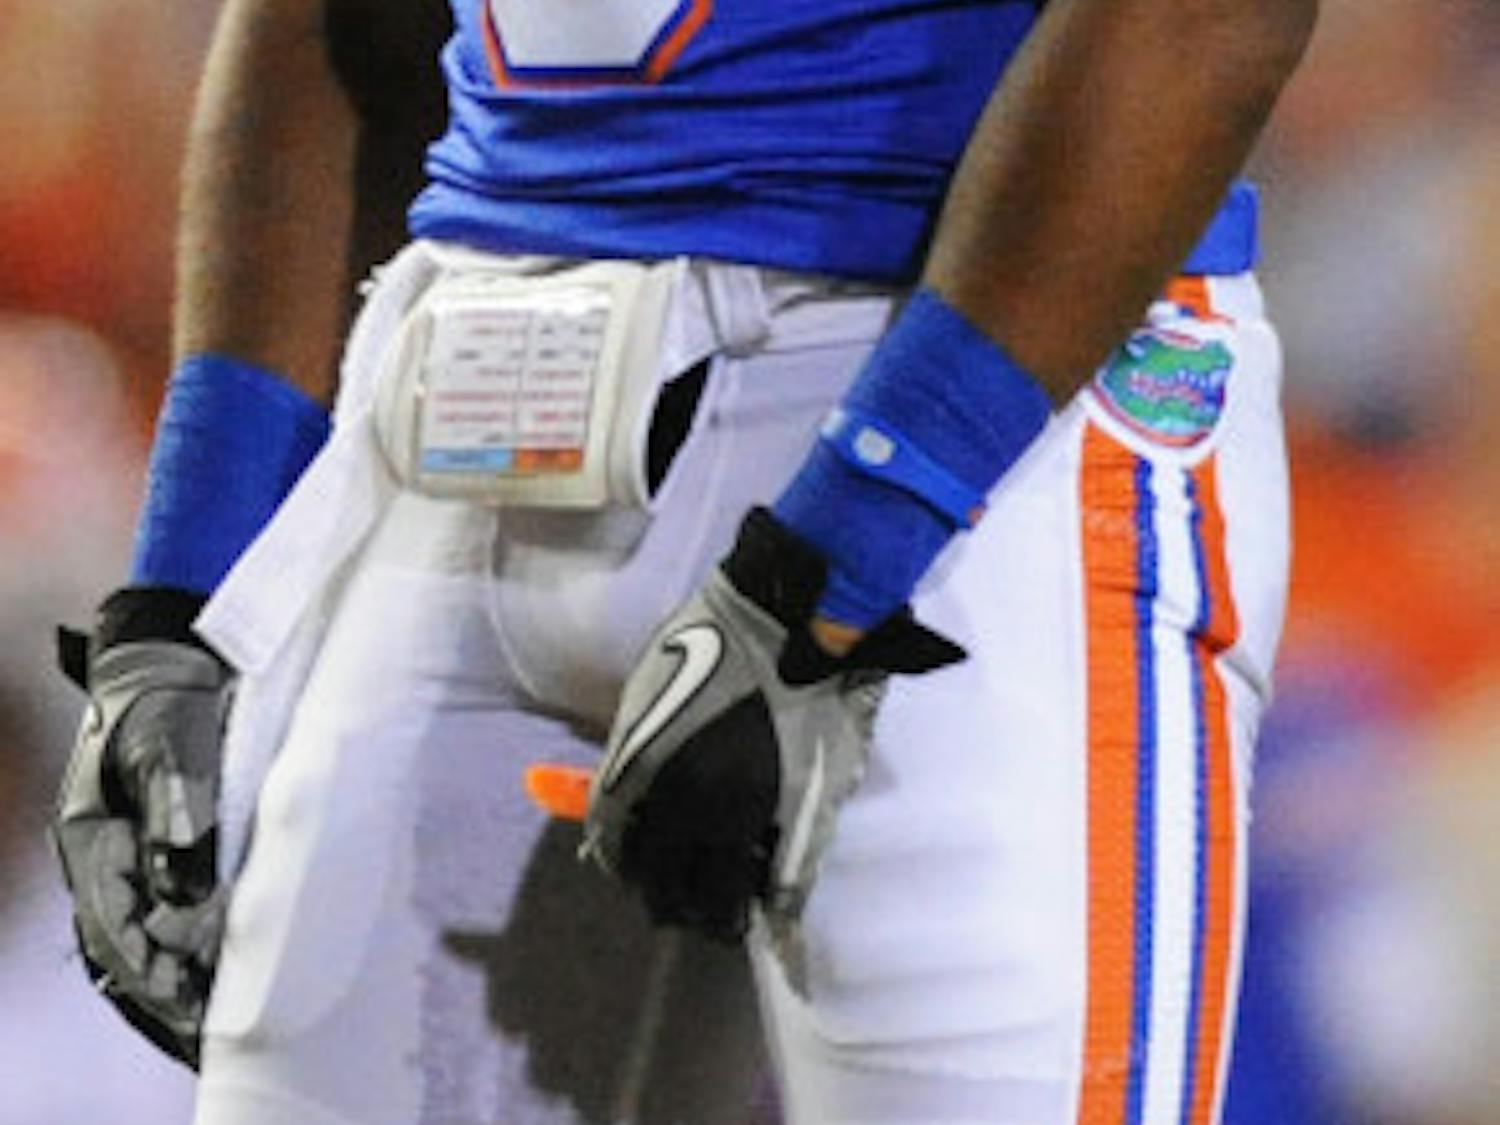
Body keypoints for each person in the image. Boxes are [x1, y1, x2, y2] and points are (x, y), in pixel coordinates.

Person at [52, 0, 1318, 1123]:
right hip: (477, 392)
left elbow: (1203, 20)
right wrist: (181, 599)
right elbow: (338, 28)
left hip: (975, 397)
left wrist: (843, 555)